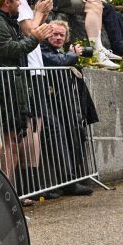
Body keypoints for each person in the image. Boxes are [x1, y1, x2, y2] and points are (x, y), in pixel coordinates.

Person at [0, 0, 57, 201]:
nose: (19, 5)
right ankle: (3, 196)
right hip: (3, 90)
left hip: (12, 88)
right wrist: (36, 38)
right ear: (7, 3)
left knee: (13, 141)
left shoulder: (4, 20)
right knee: (7, 143)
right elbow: (10, 50)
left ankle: (10, 194)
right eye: (17, 1)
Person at [40, 19, 98, 196]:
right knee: (58, 142)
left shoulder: (60, 51)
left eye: (61, 35)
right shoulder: (42, 49)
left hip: (65, 102)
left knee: (74, 138)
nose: (58, 37)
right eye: (54, 34)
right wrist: (72, 55)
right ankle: (67, 181)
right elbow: (57, 63)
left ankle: (75, 178)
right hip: (51, 102)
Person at [13, 0, 56, 198]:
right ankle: (29, 185)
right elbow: (31, 33)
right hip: (28, 71)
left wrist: (41, 15)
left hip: (37, 70)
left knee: (36, 127)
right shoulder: (18, 1)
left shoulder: (24, 4)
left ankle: (35, 182)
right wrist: (39, 13)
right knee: (30, 128)